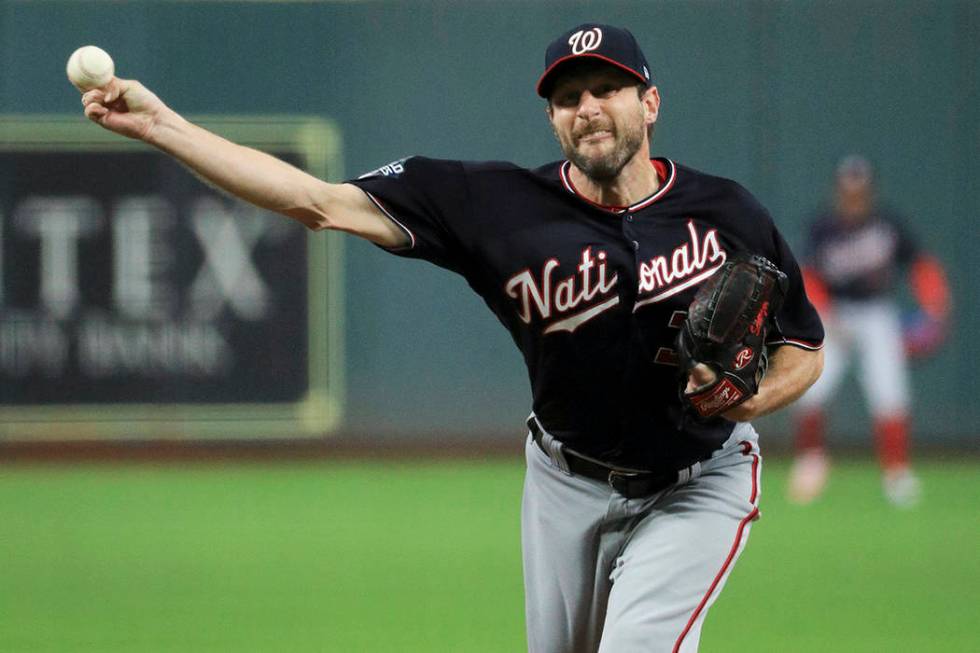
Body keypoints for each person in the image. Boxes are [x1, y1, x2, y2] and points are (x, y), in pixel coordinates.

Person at [79, 23, 824, 653]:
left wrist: (752, 397)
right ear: (553, 120)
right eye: (568, 98)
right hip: (564, 482)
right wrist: (159, 126)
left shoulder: (724, 211)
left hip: (699, 481)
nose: (587, 109)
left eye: (607, 89)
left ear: (650, 103)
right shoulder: (494, 205)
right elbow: (315, 201)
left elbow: (804, 345)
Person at [787, 155, 950, 508]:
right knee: (811, 389)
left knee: (890, 394)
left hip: (878, 315)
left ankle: (897, 473)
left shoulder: (887, 224)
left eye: (859, 190)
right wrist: (826, 315)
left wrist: (934, 304)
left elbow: (920, 264)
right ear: (839, 191)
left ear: (869, 191)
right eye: (848, 190)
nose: (853, 197)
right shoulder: (823, 227)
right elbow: (808, 277)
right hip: (836, 315)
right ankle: (811, 462)